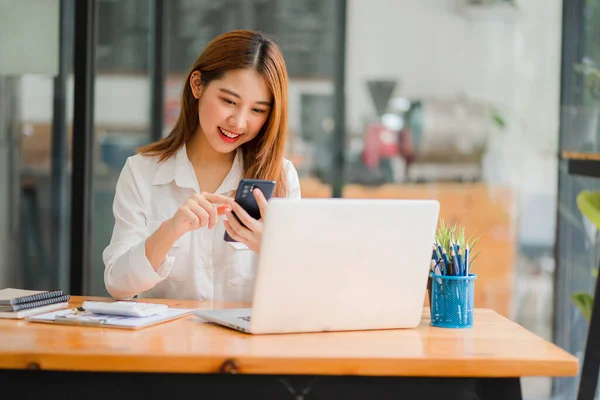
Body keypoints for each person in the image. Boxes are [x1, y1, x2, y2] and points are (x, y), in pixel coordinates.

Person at [102, 30, 301, 302]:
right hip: (165, 343)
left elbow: (299, 297)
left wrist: (273, 249)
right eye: (229, 101)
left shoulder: (282, 176)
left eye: (257, 110)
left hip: (245, 344)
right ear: (197, 85)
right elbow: (118, 284)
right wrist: (170, 229)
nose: (239, 122)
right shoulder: (142, 172)